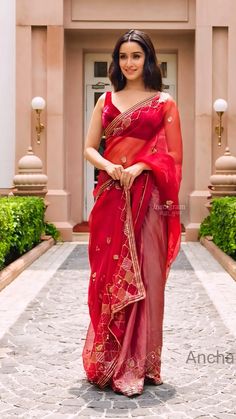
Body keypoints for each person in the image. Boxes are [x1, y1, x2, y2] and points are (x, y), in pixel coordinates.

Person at [82, 29, 183, 397]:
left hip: (148, 202)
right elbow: (90, 148)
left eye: (136, 56)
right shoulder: (106, 99)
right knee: (109, 276)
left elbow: (172, 157)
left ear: (148, 60)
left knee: (147, 277)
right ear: (117, 61)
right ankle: (109, 359)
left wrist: (142, 167)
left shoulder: (163, 103)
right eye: (123, 56)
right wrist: (108, 166)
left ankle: (140, 363)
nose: (129, 63)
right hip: (111, 197)